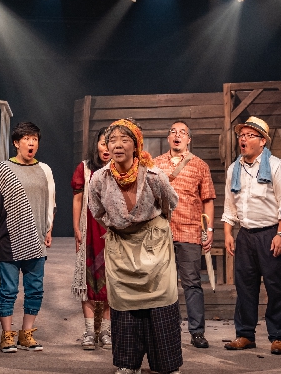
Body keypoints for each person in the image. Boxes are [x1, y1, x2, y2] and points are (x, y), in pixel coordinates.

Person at [88, 118, 182, 374]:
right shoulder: (99, 179)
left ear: (136, 145)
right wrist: (119, 229)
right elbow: (97, 211)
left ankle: (166, 365)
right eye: (112, 140)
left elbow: (170, 203)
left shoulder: (154, 176)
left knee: (161, 303)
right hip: (121, 247)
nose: (117, 145)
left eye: (124, 140)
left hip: (154, 246)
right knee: (124, 306)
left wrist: (153, 230)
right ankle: (128, 364)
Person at [222, 116, 281, 355]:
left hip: (270, 233)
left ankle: (279, 336)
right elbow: (230, 205)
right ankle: (245, 334)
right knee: (245, 287)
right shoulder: (234, 169)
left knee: (276, 287)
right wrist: (228, 233)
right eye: (241, 135)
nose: (243, 139)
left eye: (249, 135)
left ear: (262, 141)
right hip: (245, 235)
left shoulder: (276, 166)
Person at [0, 121, 55, 353]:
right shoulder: (3, 169)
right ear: (16, 143)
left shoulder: (44, 170)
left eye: (34, 139)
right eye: (26, 139)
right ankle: (7, 335)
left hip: (36, 238)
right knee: (8, 289)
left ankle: (26, 334)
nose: (31, 143)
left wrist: (49, 229)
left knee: (35, 289)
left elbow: (50, 203)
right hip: (8, 238)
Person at [153, 121, 215, 349]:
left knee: (192, 283)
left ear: (189, 139)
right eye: (173, 132)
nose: (177, 135)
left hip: (189, 231)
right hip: (161, 232)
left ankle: (197, 332)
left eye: (182, 133)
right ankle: (166, 330)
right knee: (163, 284)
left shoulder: (200, 165)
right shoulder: (156, 164)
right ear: (168, 138)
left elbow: (208, 200)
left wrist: (209, 230)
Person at [72, 128, 112, 350]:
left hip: (112, 233)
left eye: (110, 143)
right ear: (96, 144)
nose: (106, 148)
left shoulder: (120, 169)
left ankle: (105, 332)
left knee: (111, 282)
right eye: (103, 143)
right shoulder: (85, 168)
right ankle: (89, 332)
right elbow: (77, 199)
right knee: (87, 283)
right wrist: (76, 228)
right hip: (89, 230)